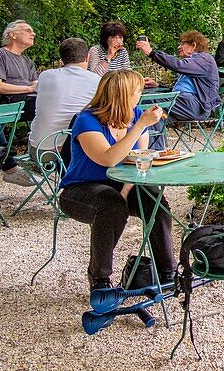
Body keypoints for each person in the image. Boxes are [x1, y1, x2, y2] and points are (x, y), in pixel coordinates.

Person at [58, 70, 174, 292]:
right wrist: (140, 125)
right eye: (137, 91)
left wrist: (127, 190)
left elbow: (140, 162)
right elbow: (109, 158)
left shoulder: (136, 113)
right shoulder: (86, 120)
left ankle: (166, 272)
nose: (141, 95)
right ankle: (100, 280)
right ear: (122, 94)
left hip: (121, 184)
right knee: (111, 204)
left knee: (154, 200)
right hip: (81, 189)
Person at [29, 38, 101, 158]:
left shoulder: (46, 76)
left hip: (40, 150)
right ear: (87, 57)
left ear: (62, 58)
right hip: (75, 153)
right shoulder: (96, 80)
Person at [0, 20, 42, 188]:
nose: (33, 33)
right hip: (2, 105)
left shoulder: (28, 61)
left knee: (52, 104)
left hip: (25, 104)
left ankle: (42, 150)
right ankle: (13, 166)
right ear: (13, 35)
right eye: (28, 30)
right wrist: (27, 87)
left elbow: (36, 85)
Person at [136, 31, 220, 125]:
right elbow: (182, 89)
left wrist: (151, 52)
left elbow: (177, 65)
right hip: (185, 103)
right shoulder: (193, 63)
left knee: (144, 100)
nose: (179, 47)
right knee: (155, 114)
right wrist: (158, 85)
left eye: (182, 43)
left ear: (193, 45)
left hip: (196, 107)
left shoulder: (204, 59)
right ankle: (150, 139)